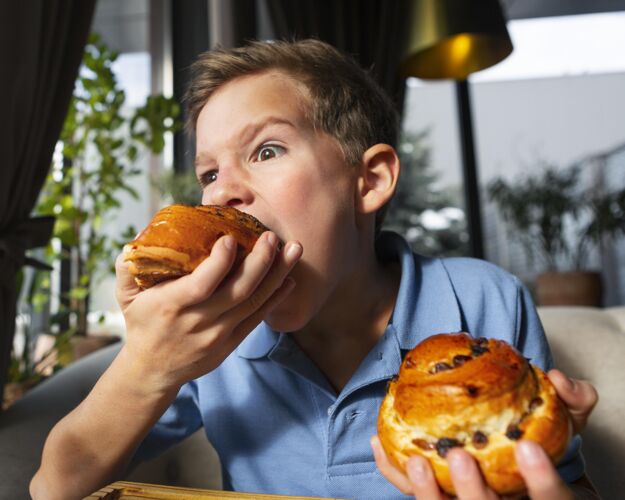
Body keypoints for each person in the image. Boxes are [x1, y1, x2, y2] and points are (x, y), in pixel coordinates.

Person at [31, 39, 598, 500]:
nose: (222, 192)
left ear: (369, 180)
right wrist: (147, 362)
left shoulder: (482, 301)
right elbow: (55, 487)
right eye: (208, 174)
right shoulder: (209, 340)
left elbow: (568, 481)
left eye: (267, 150)